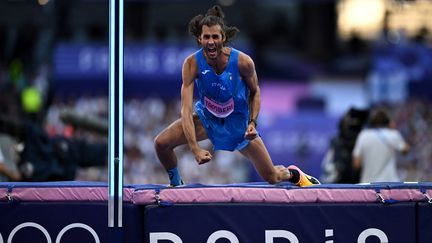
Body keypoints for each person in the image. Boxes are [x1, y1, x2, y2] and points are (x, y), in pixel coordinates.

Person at [154, 5, 320, 187]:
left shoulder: (243, 62)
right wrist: (194, 148)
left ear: (223, 38)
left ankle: (294, 174)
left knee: (272, 176)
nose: (211, 42)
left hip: (238, 127)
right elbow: (185, 110)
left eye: (215, 37)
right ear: (199, 39)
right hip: (207, 121)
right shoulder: (191, 64)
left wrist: (252, 123)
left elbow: (255, 92)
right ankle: (176, 183)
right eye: (206, 37)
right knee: (161, 144)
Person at [352, 108, 410, 183]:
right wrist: (393, 129)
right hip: (390, 184)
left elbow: (356, 164)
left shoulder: (363, 135)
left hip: (368, 185)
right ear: (388, 122)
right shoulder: (393, 135)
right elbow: (406, 150)